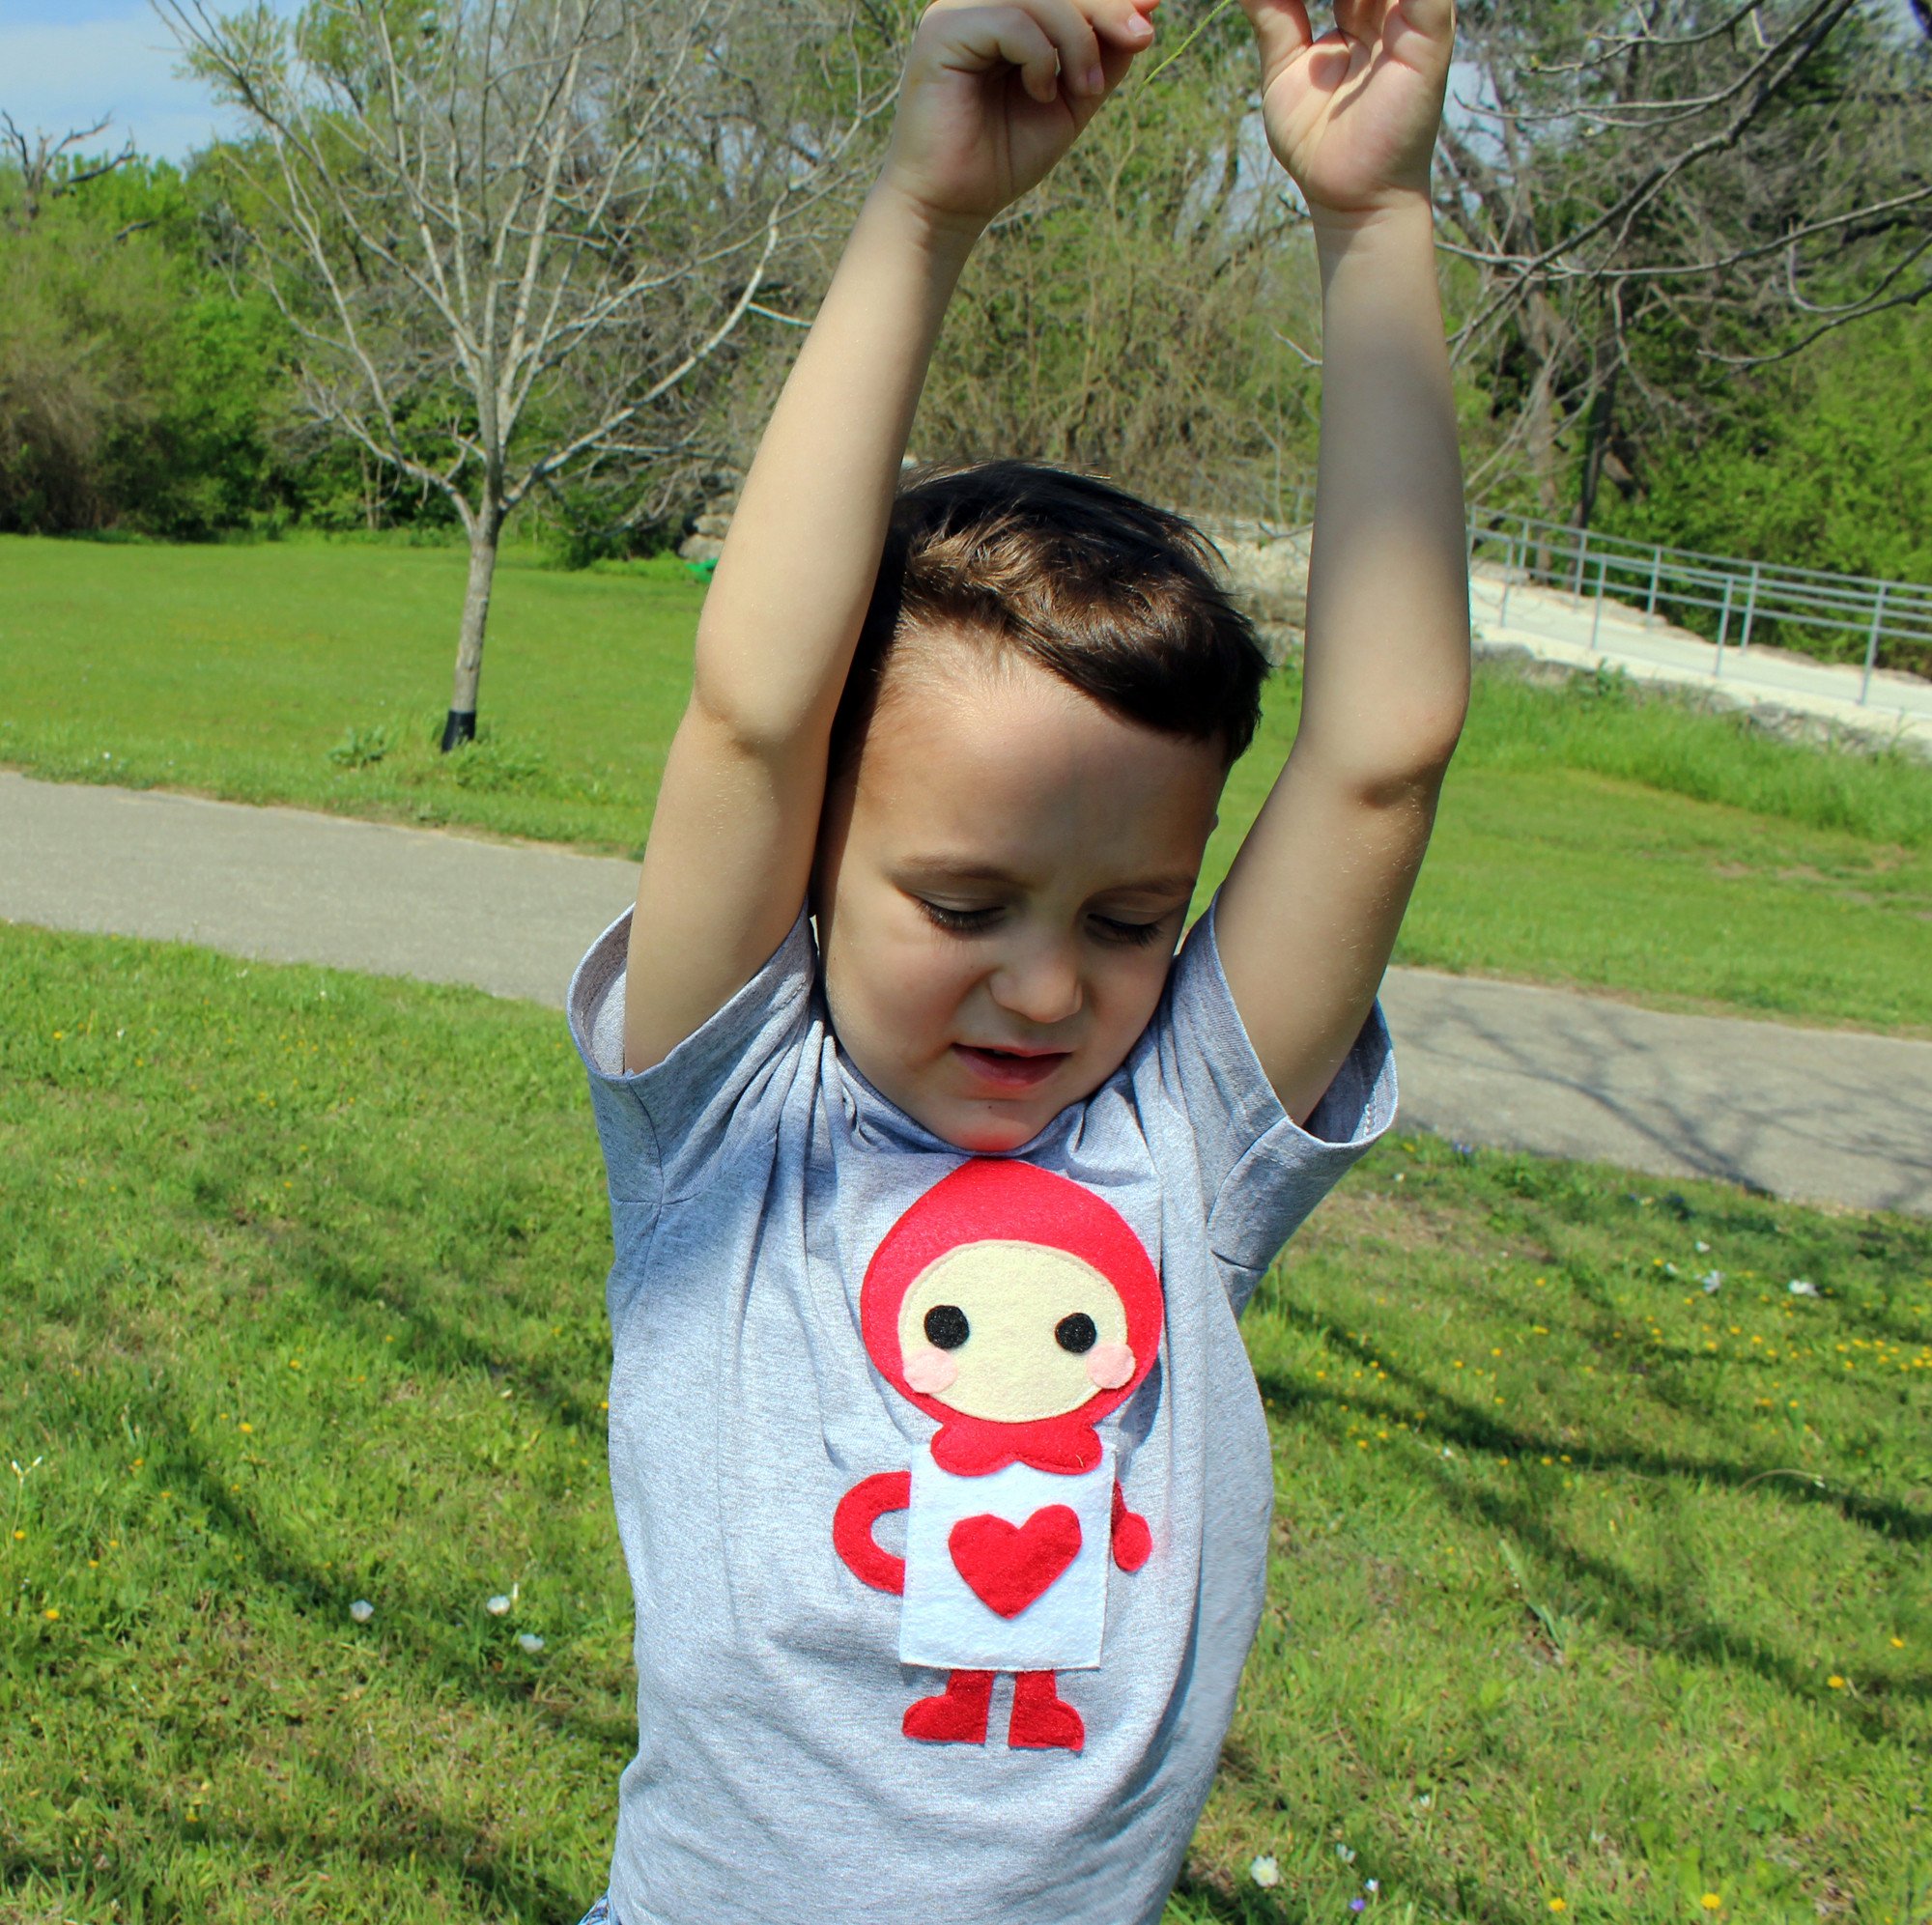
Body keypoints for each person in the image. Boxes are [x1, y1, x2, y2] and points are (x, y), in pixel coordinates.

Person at [565, 0, 1467, 1918]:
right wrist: (922, 210)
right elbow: (747, 709)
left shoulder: (1177, 1155)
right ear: (813, 858)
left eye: (1129, 920)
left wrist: (1371, 219)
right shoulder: (730, 1125)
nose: (1049, 990)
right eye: (962, 906)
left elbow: (1380, 756)